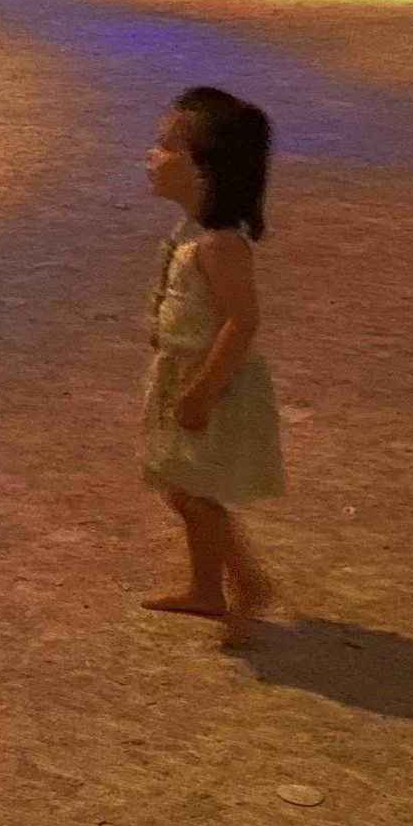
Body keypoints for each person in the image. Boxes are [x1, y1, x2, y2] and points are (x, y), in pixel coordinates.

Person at [139, 86, 284, 650]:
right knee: (180, 485)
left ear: (204, 171)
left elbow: (241, 322)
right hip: (182, 376)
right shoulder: (191, 234)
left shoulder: (220, 246)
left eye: (166, 146)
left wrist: (202, 392)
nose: (151, 155)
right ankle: (206, 588)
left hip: (208, 386)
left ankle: (249, 584)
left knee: (194, 492)